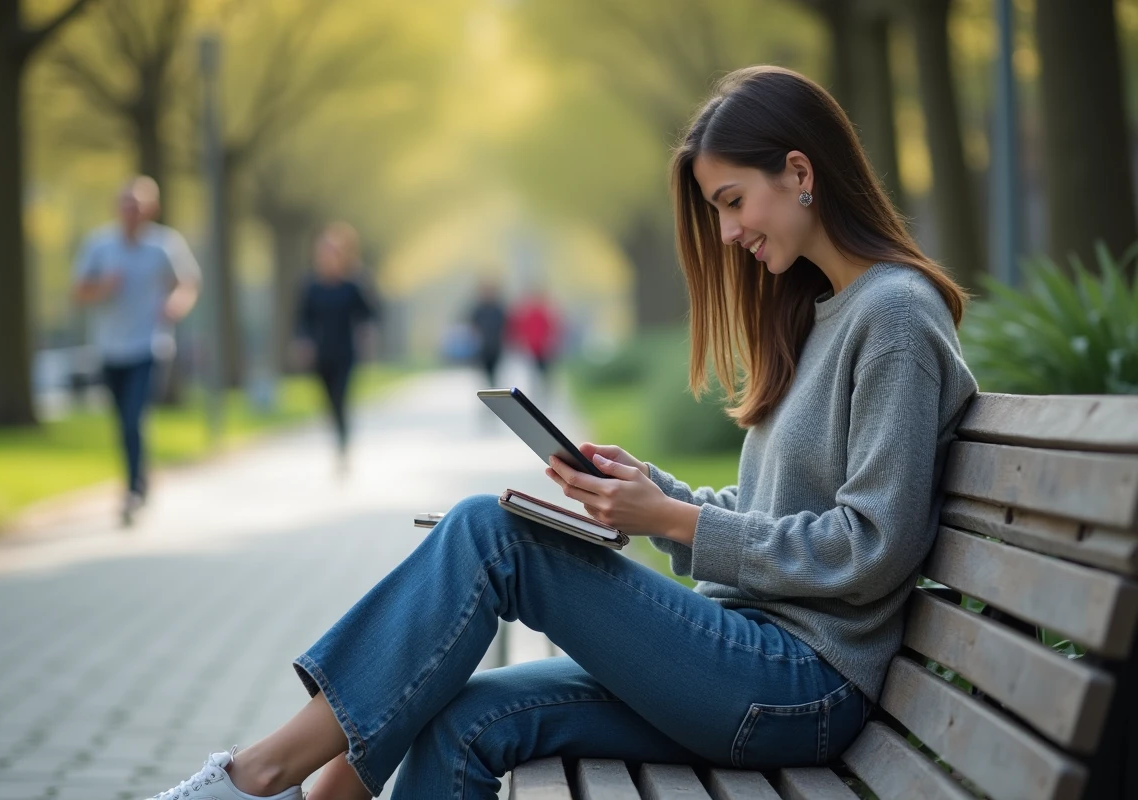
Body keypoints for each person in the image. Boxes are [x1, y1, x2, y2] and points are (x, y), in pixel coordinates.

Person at [144, 65, 978, 800]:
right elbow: (775, 509)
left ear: (799, 172)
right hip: (748, 659)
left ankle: (257, 779)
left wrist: (676, 524)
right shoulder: (822, 312)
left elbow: (873, 546)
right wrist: (659, 496)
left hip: (800, 685)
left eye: (732, 203)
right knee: (464, 717)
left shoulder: (894, 317)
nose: (727, 234)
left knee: (490, 534)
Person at [73, 176, 200, 526]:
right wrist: (104, 287)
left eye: (138, 205)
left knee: (134, 418)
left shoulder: (164, 245)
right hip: (110, 349)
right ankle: (139, 481)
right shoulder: (99, 245)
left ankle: (132, 490)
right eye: (126, 204)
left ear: (150, 209)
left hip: (149, 346)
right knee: (123, 423)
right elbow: (79, 292)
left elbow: (188, 282)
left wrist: (176, 304)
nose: (131, 211)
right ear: (118, 208)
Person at [293, 222, 377, 470]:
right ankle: (338, 435)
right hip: (321, 354)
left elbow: (369, 314)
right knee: (329, 401)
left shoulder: (352, 285)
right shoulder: (310, 286)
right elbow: (302, 319)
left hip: (345, 353)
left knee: (341, 396)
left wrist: (367, 332)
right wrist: (302, 342)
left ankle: (343, 443)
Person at [507, 286, 561, 395]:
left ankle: (544, 392)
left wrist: (549, 343)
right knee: (532, 373)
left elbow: (551, 329)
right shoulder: (527, 314)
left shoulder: (543, 313)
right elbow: (518, 329)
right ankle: (536, 392)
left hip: (542, 349)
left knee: (543, 373)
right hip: (530, 348)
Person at [466, 279, 507, 386]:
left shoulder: (498, 309)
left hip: (496, 347)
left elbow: (505, 326)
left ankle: (493, 387)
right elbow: (473, 326)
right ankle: (489, 388)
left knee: (495, 372)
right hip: (483, 347)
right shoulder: (479, 309)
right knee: (485, 373)